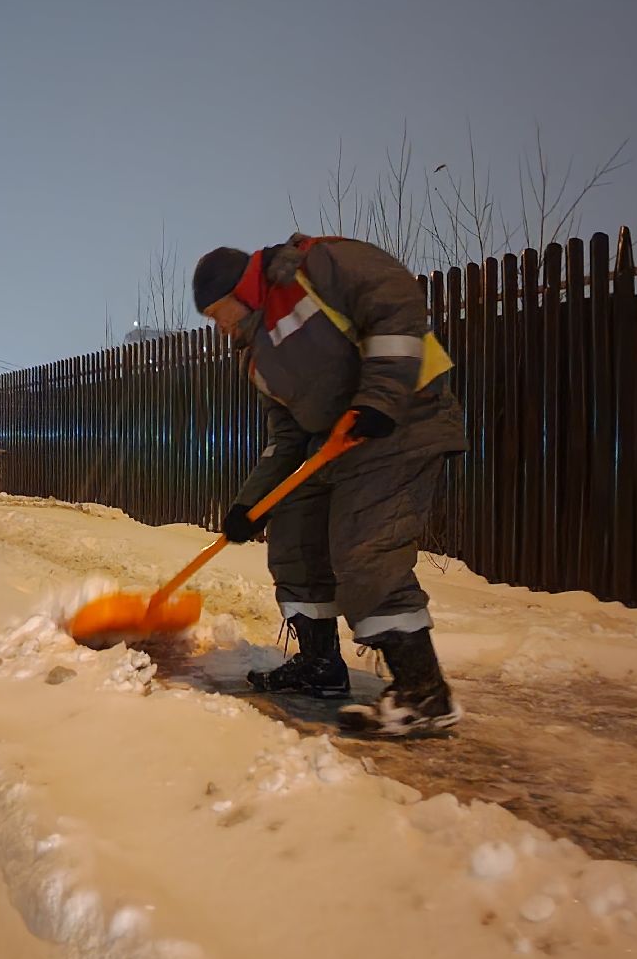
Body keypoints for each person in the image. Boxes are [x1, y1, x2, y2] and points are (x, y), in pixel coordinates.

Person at [192, 234, 467, 736]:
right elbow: (286, 439)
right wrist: (249, 506)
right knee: (294, 542)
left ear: (240, 289)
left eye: (216, 313)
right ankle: (320, 665)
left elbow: (394, 302)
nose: (218, 325)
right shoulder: (257, 357)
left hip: (404, 420)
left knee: (365, 550)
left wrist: (379, 399)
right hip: (333, 444)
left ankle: (424, 693)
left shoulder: (315, 265)